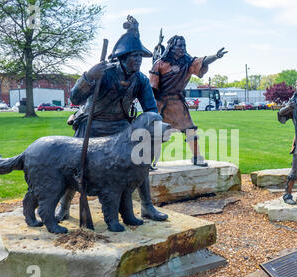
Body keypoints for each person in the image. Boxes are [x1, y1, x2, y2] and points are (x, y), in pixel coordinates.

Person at [55, 15, 168, 224]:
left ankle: (147, 206)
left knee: (140, 161)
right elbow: (75, 98)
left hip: (121, 127)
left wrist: (154, 127)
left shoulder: (141, 80)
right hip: (93, 123)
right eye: (134, 56)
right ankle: (63, 206)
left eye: (140, 57)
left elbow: (151, 109)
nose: (138, 60)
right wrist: (88, 77)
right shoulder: (105, 73)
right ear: (123, 57)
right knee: (74, 163)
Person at [149, 35, 227, 166]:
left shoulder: (188, 62)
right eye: (179, 45)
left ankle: (197, 157)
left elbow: (201, 61)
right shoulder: (159, 64)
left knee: (190, 130)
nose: (182, 48)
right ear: (171, 47)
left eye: (184, 45)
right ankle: (149, 162)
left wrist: (215, 56)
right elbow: (153, 86)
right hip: (161, 104)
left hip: (178, 103)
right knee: (156, 134)